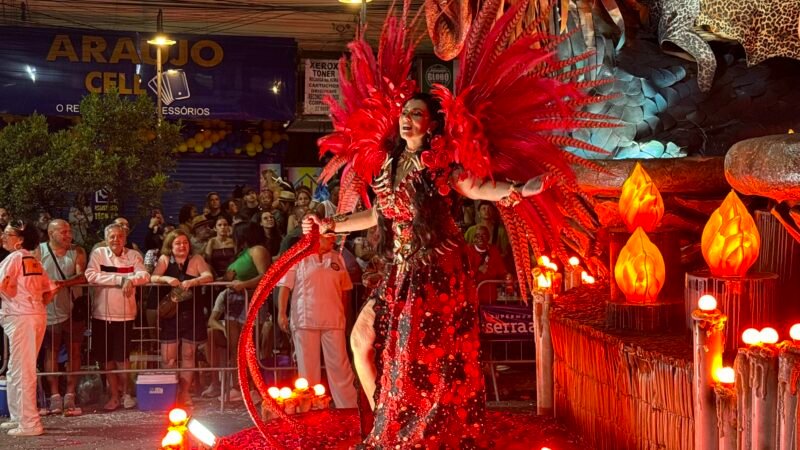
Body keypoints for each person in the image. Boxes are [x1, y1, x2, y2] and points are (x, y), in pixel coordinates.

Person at [303, 93, 554, 447]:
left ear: (431, 123)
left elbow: (475, 187)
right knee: (361, 340)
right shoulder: (390, 164)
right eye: (404, 113)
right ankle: (388, 426)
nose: (406, 118)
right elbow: (376, 216)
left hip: (435, 275)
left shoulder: (440, 164)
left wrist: (517, 190)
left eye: (416, 113)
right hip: (399, 272)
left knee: (422, 363)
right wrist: (330, 225)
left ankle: (410, 435)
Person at [277, 232, 357, 409]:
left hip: (334, 319)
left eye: (332, 237)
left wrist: (345, 317)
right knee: (307, 369)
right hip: (305, 318)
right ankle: (311, 409)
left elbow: (345, 291)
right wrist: (281, 313)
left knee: (340, 367)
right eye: (327, 236)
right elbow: (285, 287)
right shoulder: (298, 258)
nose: (332, 239)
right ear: (315, 237)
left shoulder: (338, 258)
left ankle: (349, 408)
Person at [85, 223, 150, 411]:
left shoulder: (134, 256)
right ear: (106, 239)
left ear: (125, 239)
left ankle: (126, 393)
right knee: (106, 359)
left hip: (125, 315)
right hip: (101, 314)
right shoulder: (98, 254)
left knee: (123, 359)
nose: (116, 239)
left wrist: (130, 280)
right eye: (112, 236)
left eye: (119, 236)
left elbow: (145, 275)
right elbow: (90, 275)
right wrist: (119, 280)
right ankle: (113, 395)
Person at [0, 221, 55, 436]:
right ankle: (19, 418)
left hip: (21, 318)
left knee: (22, 370)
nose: (3, 237)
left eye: (7, 234)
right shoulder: (32, 259)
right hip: (33, 316)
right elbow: (50, 291)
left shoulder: (14, 258)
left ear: (19, 239)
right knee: (17, 368)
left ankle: (30, 423)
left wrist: (13, 298)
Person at [205, 222, 271, 399]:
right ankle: (237, 386)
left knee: (249, 346)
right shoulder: (243, 252)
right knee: (235, 347)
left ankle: (252, 386)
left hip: (250, 299)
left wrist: (243, 284)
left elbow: (266, 275)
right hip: (234, 299)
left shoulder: (257, 250)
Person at [150, 230, 214, 407]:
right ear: (171, 245)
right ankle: (170, 392)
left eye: (185, 242)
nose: (182, 246)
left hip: (192, 313)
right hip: (171, 315)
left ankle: (185, 392)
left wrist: (194, 282)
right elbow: (153, 277)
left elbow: (208, 276)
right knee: (168, 358)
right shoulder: (164, 260)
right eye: (178, 243)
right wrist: (166, 279)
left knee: (188, 354)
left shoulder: (197, 259)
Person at [36, 219, 88, 416]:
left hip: (73, 310)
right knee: (51, 351)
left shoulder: (78, 251)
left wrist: (61, 284)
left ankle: (70, 393)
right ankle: (55, 395)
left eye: (70, 231)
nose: (69, 235)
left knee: (75, 350)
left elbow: (82, 276)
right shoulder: (39, 251)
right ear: (51, 234)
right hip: (48, 310)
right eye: (63, 232)